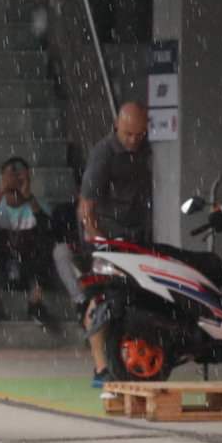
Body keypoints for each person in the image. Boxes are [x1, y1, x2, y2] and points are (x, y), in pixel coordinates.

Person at [78, 102, 152, 386]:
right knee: (100, 300)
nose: (133, 140)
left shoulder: (143, 150)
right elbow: (86, 207)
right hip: (106, 237)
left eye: (139, 134)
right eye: (128, 134)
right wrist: (100, 241)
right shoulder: (104, 154)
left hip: (134, 237)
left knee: (127, 302)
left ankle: (122, 361)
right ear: (115, 126)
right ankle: (100, 368)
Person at [0, 157, 55, 324]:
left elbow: (48, 229)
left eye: (20, 176)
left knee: (46, 242)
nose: (15, 180)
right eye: (11, 176)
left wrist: (28, 197)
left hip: (28, 258)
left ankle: (36, 303)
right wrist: (0, 192)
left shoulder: (39, 204)